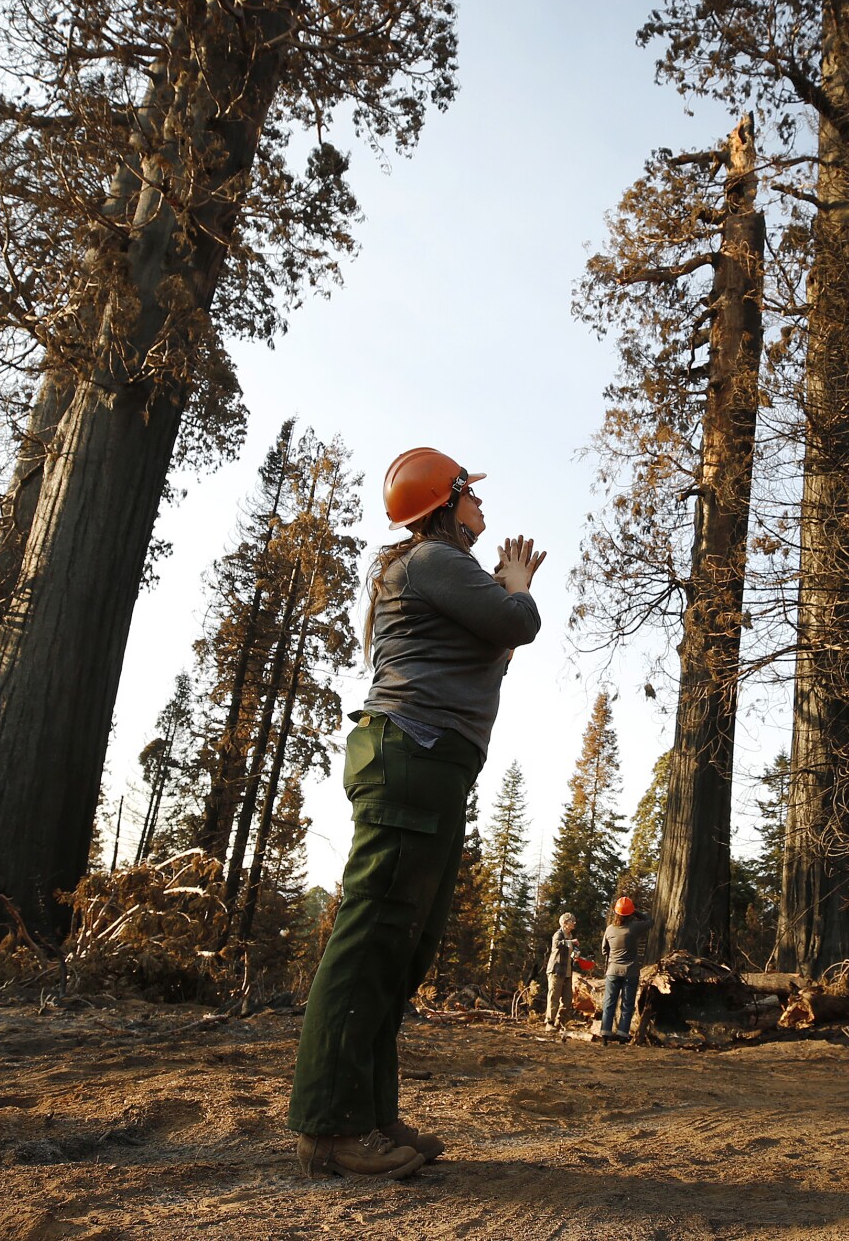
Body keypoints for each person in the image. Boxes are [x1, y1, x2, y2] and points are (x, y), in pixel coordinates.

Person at [287, 447, 546, 1180]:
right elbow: (517, 622)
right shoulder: (433, 557)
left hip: (427, 763)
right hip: (412, 756)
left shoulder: (436, 568)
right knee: (371, 942)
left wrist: (499, 597)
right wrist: (517, 585)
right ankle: (331, 1126)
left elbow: (492, 648)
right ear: (444, 501)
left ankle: (369, 1112)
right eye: (473, 496)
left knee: (402, 948)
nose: (483, 510)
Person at [597, 895, 652, 1043]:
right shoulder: (633, 928)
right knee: (627, 1005)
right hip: (630, 972)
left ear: (616, 913)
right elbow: (649, 921)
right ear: (629, 914)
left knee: (609, 1004)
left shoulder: (610, 929)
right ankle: (622, 1035)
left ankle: (605, 1035)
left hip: (613, 971)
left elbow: (604, 950)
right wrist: (636, 912)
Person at [542, 912, 591, 1030]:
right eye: (571, 921)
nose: (574, 923)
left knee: (567, 999)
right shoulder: (558, 934)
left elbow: (570, 952)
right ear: (564, 923)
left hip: (567, 972)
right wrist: (571, 942)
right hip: (556, 970)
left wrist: (576, 955)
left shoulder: (570, 936)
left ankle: (560, 1022)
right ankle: (549, 1022)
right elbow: (557, 945)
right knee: (554, 996)